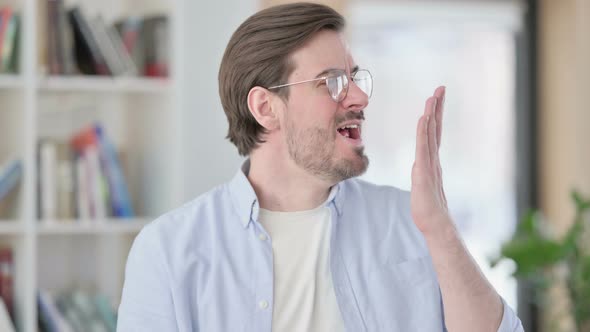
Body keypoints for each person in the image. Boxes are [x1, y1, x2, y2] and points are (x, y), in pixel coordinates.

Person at [117, 2, 524, 331]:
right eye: (330, 82)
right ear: (265, 108)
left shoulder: (412, 222)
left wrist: (440, 230)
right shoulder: (169, 251)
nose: (358, 99)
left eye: (354, 78)